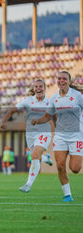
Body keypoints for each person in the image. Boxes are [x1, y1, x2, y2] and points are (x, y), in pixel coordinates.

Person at [31, 71, 83, 202]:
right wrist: (37, 120)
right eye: (59, 78)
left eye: (64, 78)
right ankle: (67, 195)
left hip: (76, 136)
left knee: (75, 169)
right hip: (60, 136)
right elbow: (48, 116)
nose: (61, 80)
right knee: (60, 166)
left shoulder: (77, 96)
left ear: (69, 82)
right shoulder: (54, 98)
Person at [1, 79, 53, 187]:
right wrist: (4, 121)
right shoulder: (27, 101)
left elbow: (55, 117)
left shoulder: (49, 102)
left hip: (44, 133)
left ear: (44, 88)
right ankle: (45, 158)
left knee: (34, 155)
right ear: (34, 89)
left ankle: (28, 184)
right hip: (30, 134)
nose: (38, 88)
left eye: (40, 86)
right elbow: (12, 110)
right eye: (36, 86)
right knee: (36, 156)